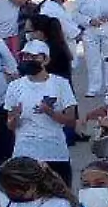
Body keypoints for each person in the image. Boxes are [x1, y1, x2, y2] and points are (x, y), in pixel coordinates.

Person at [5, 40, 78, 184]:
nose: (28, 60)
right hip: (25, 153)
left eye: (33, 57)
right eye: (25, 57)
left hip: (55, 153)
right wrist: (15, 117)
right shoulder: (15, 86)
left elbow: (71, 120)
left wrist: (50, 112)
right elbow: (10, 126)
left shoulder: (60, 84)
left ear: (45, 59)